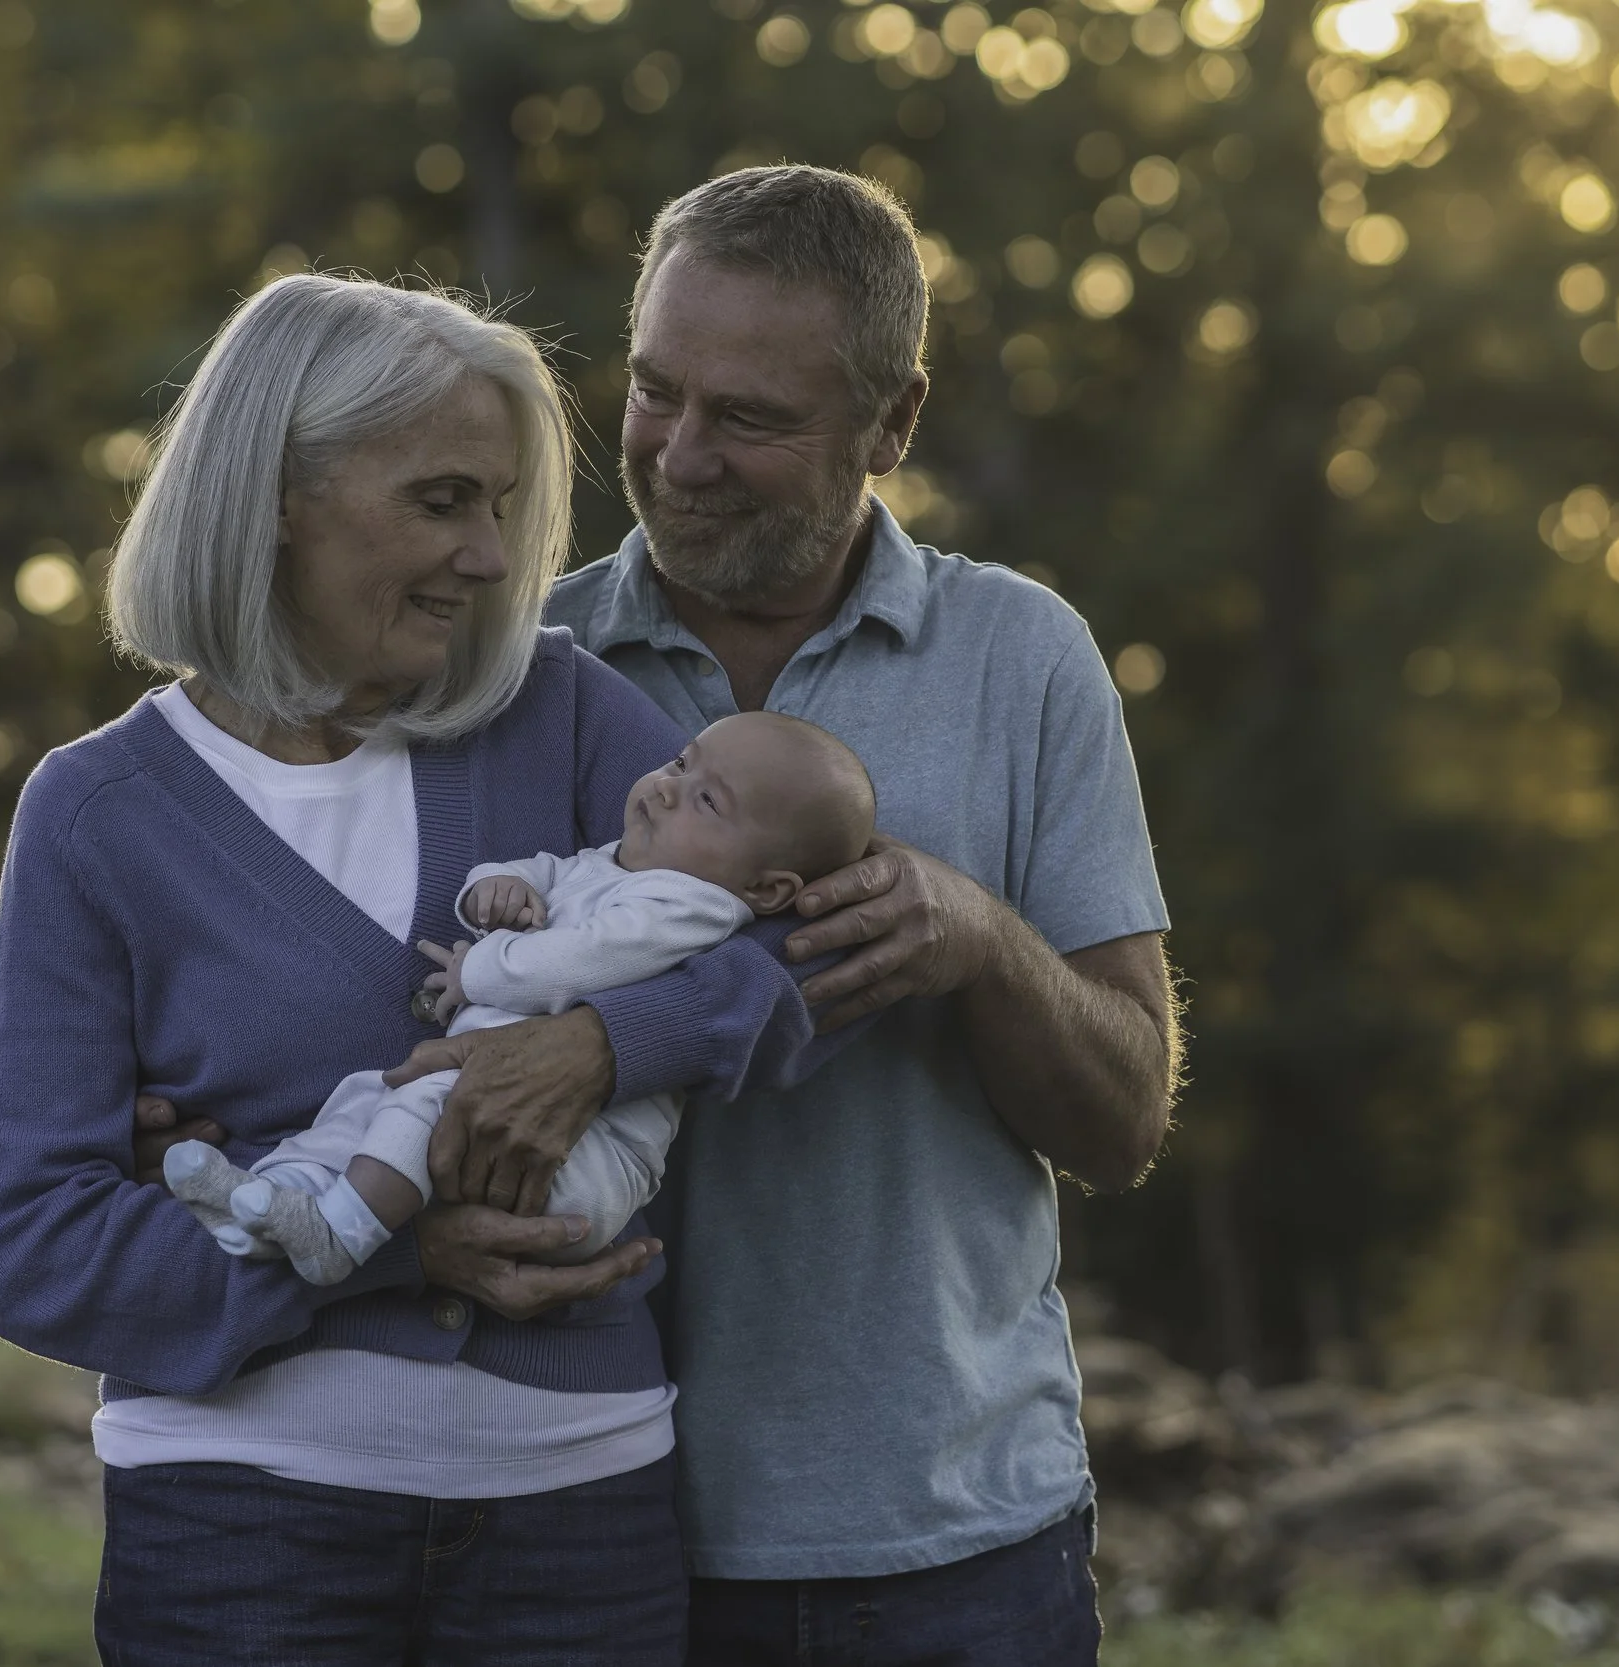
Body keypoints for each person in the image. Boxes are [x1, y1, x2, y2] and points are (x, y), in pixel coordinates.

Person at [0, 272, 840, 1667]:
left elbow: (809, 935)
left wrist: (604, 1044)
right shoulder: (97, 811)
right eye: (442, 501)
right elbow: (29, 1242)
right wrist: (386, 1255)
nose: (492, 558)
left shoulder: (557, 717)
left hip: (578, 1511)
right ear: (279, 497)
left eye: (499, 504)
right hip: (242, 1527)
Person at [400, 166, 1181, 1663]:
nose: (679, 454)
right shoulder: (509, 659)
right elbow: (384, 1036)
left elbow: (1126, 1115)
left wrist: (982, 939)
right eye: (653, 389)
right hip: (568, 1529)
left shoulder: (1024, 659)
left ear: (892, 423)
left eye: (749, 418)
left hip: (956, 1544)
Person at [165, 710, 877, 1281]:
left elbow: (579, 961)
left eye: (706, 799)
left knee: (423, 1098)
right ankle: (271, 1198)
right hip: (502, 1117)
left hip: (584, 1163)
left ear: (766, 888)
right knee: (370, 1095)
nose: (664, 786)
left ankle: (340, 1236)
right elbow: (539, 873)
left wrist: (480, 968)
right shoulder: (613, 863)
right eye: (680, 761)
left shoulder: (692, 905)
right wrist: (498, 888)